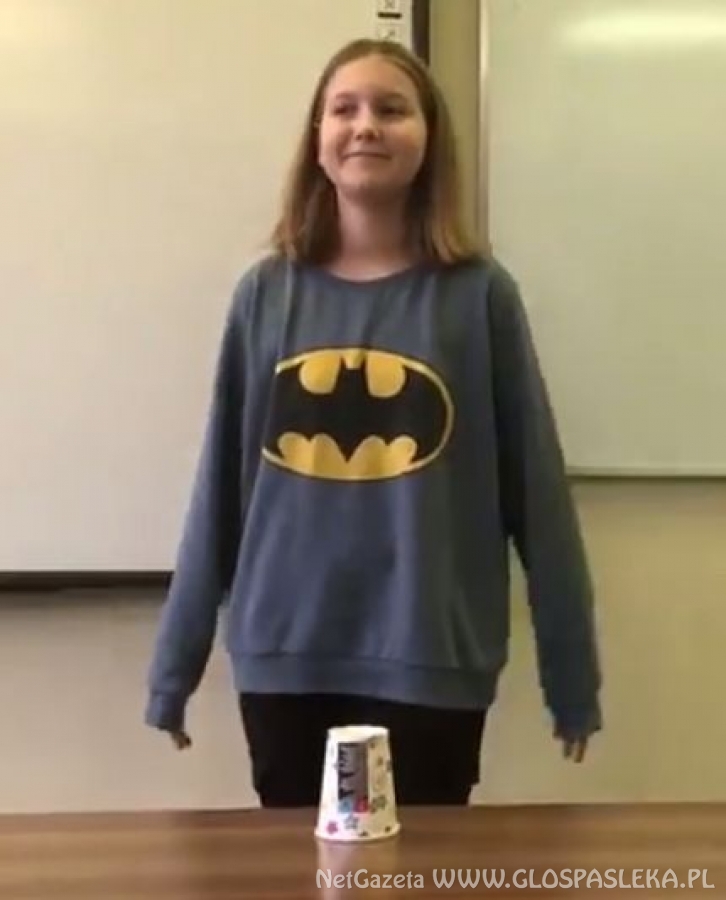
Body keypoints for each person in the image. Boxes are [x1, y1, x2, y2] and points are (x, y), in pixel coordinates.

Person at [144, 37, 602, 808]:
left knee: (422, 866)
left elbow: (540, 498)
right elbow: (219, 490)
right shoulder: (267, 296)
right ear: (316, 140)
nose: (365, 126)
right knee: (297, 864)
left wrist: (573, 678)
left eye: (392, 109)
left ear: (430, 139)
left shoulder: (478, 297)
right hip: (286, 654)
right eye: (344, 109)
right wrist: (173, 670)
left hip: (429, 656)